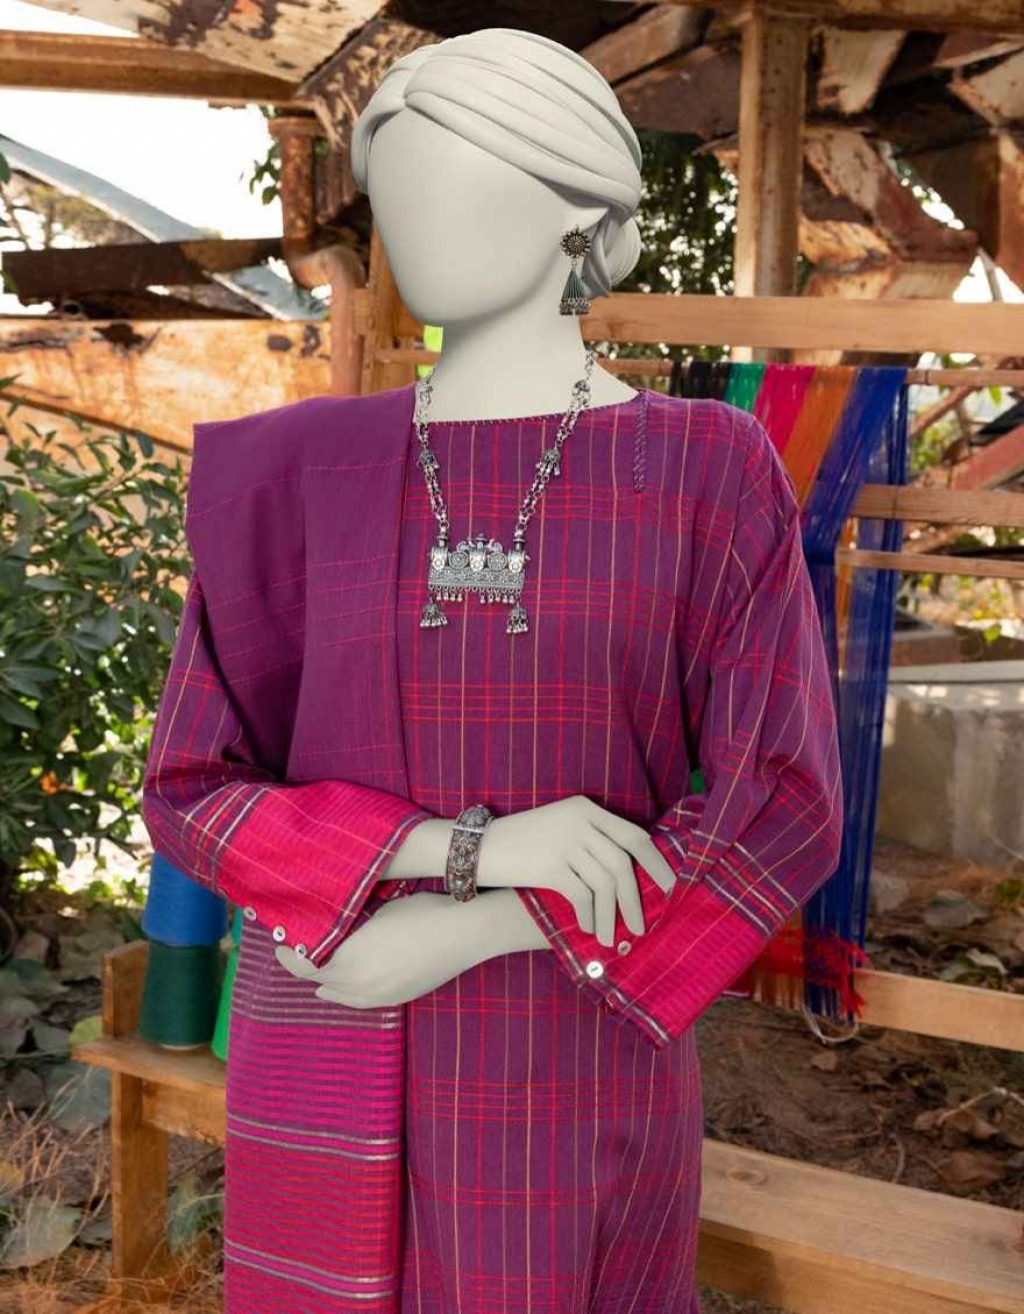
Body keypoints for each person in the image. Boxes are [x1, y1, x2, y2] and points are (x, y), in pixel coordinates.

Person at [141, 27, 843, 1312]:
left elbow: (780, 796)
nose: (419, 223)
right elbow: (192, 787)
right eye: (398, 189)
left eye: (461, 181)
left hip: (569, 1045)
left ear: (581, 207)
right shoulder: (293, 475)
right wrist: (459, 851)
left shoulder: (703, 467)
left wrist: (491, 919)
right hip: (332, 1001)